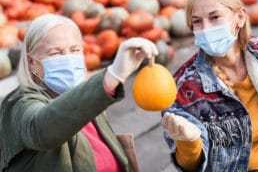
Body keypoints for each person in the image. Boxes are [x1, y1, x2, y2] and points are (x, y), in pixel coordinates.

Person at [161, 0, 258, 172]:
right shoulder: (183, 87)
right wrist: (189, 141)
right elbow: (191, 165)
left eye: (215, 17)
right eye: (197, 21)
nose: (206, 28)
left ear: (240, 17)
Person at [0, 13, 158, 172]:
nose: (68, 59)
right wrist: (112, 76)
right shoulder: (19, 106)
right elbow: (42, 128)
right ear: (32, 63)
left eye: (75, 50)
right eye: (56, 53)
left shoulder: (90, 103)